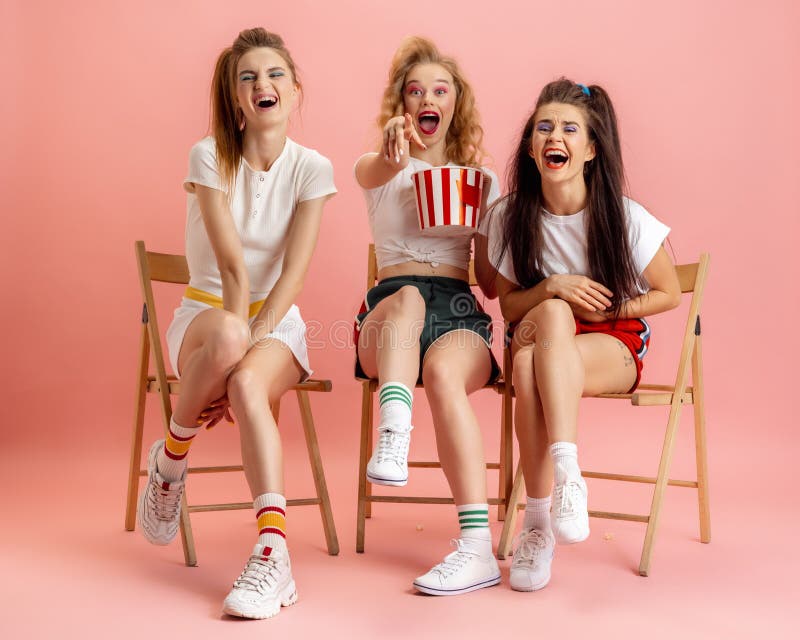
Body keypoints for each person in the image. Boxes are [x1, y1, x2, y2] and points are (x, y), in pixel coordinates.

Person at [136, 28, 336, 619]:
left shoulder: (312, 169)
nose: (262, 85)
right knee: (226, 336)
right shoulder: (208, 155)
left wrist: (248, 352)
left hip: (277, 321)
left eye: (273, 74)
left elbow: (293, 277)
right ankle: (172, 459)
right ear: (234, 97)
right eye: (247, 77)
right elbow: (230, 267)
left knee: (248, 381)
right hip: (205, 314)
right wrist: (235, 345)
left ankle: (274, 553)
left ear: (294, 90)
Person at [485, 79, 681, 592]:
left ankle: (539, 516)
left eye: (571, 128)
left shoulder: (622, 216)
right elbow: (507, 305)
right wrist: (552, 287)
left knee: (529, 366)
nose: (557, 136)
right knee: (547, 319)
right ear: (531, 146)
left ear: (591, 149)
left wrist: (608, 308)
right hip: (538, 329)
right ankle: (565, 480)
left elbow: (669, 293)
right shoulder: (510, 215)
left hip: (610, 338)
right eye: (545, 127)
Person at [354, 36, 502, 596]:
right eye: (415, 90)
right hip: (390, 311)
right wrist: (393, 156)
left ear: (455, 103)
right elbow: (369, 171)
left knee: (443, 374)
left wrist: (503, 226)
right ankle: (394, 432)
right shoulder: (379, 168)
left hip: (459, 307)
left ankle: (476, 550)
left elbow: (488, 281)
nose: (427, 98)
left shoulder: (481, 182)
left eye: (440, 89)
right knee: (410, 299)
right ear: (402, 104)